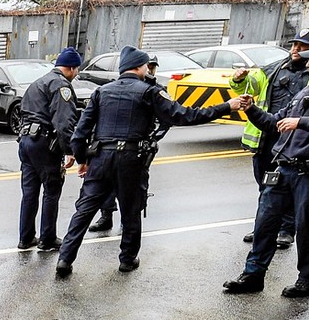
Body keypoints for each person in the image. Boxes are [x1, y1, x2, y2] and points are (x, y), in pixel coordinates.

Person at [56, 46, 242, 278]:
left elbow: (81, 132)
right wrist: (227, 106)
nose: (148, 69)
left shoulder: (101, 92)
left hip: (101, 159)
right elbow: (184, 116)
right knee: (131, 210)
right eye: (146, 65)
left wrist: (82, 160)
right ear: (138, 66)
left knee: (84, 211)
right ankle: (127, 259)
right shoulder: (149, 92)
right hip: (131, 160)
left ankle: (65, 259)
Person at [223, 37, 309, 298]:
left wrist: (302, 122)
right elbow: (274, 122)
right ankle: (253, 275)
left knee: (306, 225)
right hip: (284, 168)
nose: (308, 62)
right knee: (265, 223)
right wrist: (251, 109)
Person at [237, 29, 309, 249]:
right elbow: (249, 86)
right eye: (295, 45)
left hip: (295, 141)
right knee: (266, 186)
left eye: (303, 46)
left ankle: (285, 230)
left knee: (288, 186)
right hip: (268, 137)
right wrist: (238, 80)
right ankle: (263, 227)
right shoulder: (274, 69)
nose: (296, 49)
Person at [16, 48, 84, 250]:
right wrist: (70, 151)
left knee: (29, 192)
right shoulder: (61, 85)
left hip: (26, 141)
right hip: (44, 143)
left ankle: (26, 238)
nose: (77, 73)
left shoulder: (38, 83)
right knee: (51, 191)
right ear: (71, 68)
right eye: (77, 69)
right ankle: (47, 238)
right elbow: (64, 122)